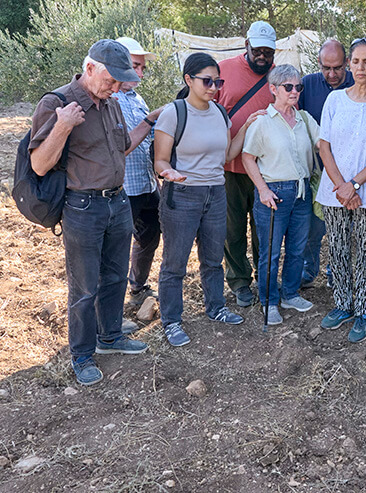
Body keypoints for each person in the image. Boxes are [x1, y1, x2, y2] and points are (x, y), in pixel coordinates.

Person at [29, 39, 150, 386]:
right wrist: (63, 124)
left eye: (119, 82)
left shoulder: (110, 103)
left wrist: (151, 120)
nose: (115, 88)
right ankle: (82, 354)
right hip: (83, 206)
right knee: (84, 288)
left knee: (114, 277)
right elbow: (39, 165)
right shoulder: (57, 103)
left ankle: (110, 336)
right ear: (90, 68)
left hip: (118, 202)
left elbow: (122, 147)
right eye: (111, 80)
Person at [154, 53, 261, 347]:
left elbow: (227, 155)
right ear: (188, 80)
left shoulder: (219, 113)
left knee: (213, 260)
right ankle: (172, 321)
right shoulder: (174, 113)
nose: (214, 87)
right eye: (207, 81)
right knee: (174, 264)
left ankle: (216, 308)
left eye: (218, 81)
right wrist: (169, 173)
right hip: (183, 195)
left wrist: (248, 126)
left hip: (216, 193)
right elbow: (160, 160)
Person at [316, 38, 366, 343]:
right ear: (348, 64)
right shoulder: (335, 100)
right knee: (336, 248)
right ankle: (341, 304)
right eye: (355, 61)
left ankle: (363, 311)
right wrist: (342, 187)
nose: (360, 67)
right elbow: (324, 146)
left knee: (365, 251)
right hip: (334, 191)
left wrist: (355, 185)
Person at [242, 64, 320, 324]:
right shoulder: (262, 122)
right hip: (274, 194)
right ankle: (269, 301)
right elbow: (248, 157)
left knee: (297, 249)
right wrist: (262, 190)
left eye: (299, 86)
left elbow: (324, 144)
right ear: (273, 89)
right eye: (288, 87)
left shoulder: (305, 119)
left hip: (302, 191)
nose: (295, 91)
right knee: (271, 252)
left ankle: (289, 293)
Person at [216, 21, 276, 308]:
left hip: (267, 169)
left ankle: (265, 278)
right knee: (233, 228)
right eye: (257, 50)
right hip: (229, 168)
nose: (262, 56)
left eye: (268, 51)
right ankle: (240, 281)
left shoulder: (280, 76)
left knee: (264, 228)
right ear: (246, 45)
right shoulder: (222, 70)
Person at [112, 37, 164, 328]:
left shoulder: (136, 98)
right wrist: (151, 120)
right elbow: (123, 145)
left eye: (142, 68)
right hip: (122, 187)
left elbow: (146, 142)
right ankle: (110, 311)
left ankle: (138, 287)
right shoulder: (110, 101)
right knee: (117, 247)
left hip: (144, 183)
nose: (140, 74)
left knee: (150, 234)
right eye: (135, 67)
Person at [299, 38, 355, 289]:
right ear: (319, 64)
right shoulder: (307, 84)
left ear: (347, 63)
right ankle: (309, 271)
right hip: (316, 170)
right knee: (313, 226)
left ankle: (338, 272)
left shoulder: (360, 82)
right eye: (326, 68)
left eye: (338, 68)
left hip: (350, 172)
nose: (332, 74)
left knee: (343, 228)